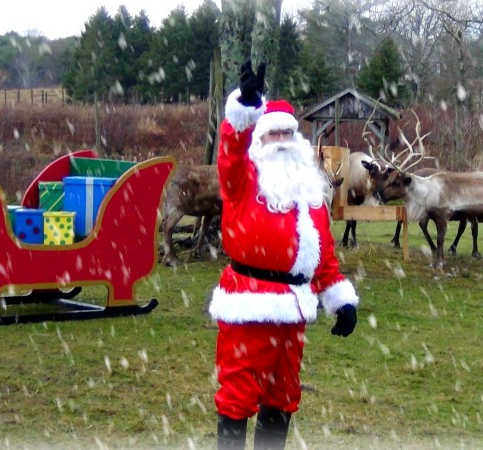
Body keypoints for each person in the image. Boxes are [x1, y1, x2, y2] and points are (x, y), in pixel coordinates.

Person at [208, 60, 359, 450]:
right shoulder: (242, 180)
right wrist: (245, 107)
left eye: (287, 133)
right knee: (238, 396)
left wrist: (338, 299)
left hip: (294, 312)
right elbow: (229, 152)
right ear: (258, 139)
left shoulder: (309, 194)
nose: (280, 140)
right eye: (272, 132)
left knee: (283, 396)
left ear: (298, 140)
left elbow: (321, 256)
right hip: (249, 305)